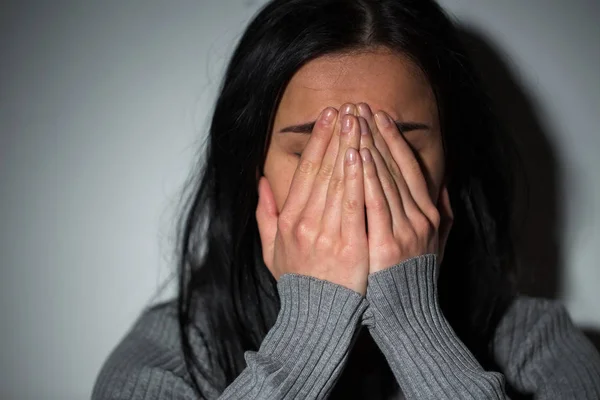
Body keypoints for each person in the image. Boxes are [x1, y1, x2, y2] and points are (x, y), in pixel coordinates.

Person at [92, 0, 600, 398]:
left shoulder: (538, 348)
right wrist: (309, 333)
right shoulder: (175, 353)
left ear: (452, 160)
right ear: (254, 170)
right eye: (314, 145)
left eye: (396, 141)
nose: (356, 179)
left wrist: (413, 324)